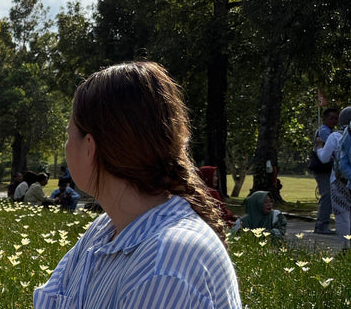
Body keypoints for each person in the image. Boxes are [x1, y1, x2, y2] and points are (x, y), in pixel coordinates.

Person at [33, 62, 240, 308]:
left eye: (69, 136)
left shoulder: (163, 266)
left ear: (90, 147)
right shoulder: (105, 230)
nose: (66, 147)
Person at [317, 106, 351, 249]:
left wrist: (319, 147)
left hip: (338, 182)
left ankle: (346, 247)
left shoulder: (335, 136)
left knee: (342, 215)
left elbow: (324, 158)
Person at [312, 108, 340, 234]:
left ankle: (323, 223)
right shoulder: (324, 132)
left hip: (328, 168)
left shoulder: (331, 132)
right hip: (322, 168)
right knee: (327, 195)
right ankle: (321, 225)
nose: (334, 120)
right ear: (324, 118)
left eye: (336, 118)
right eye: (331, 118)